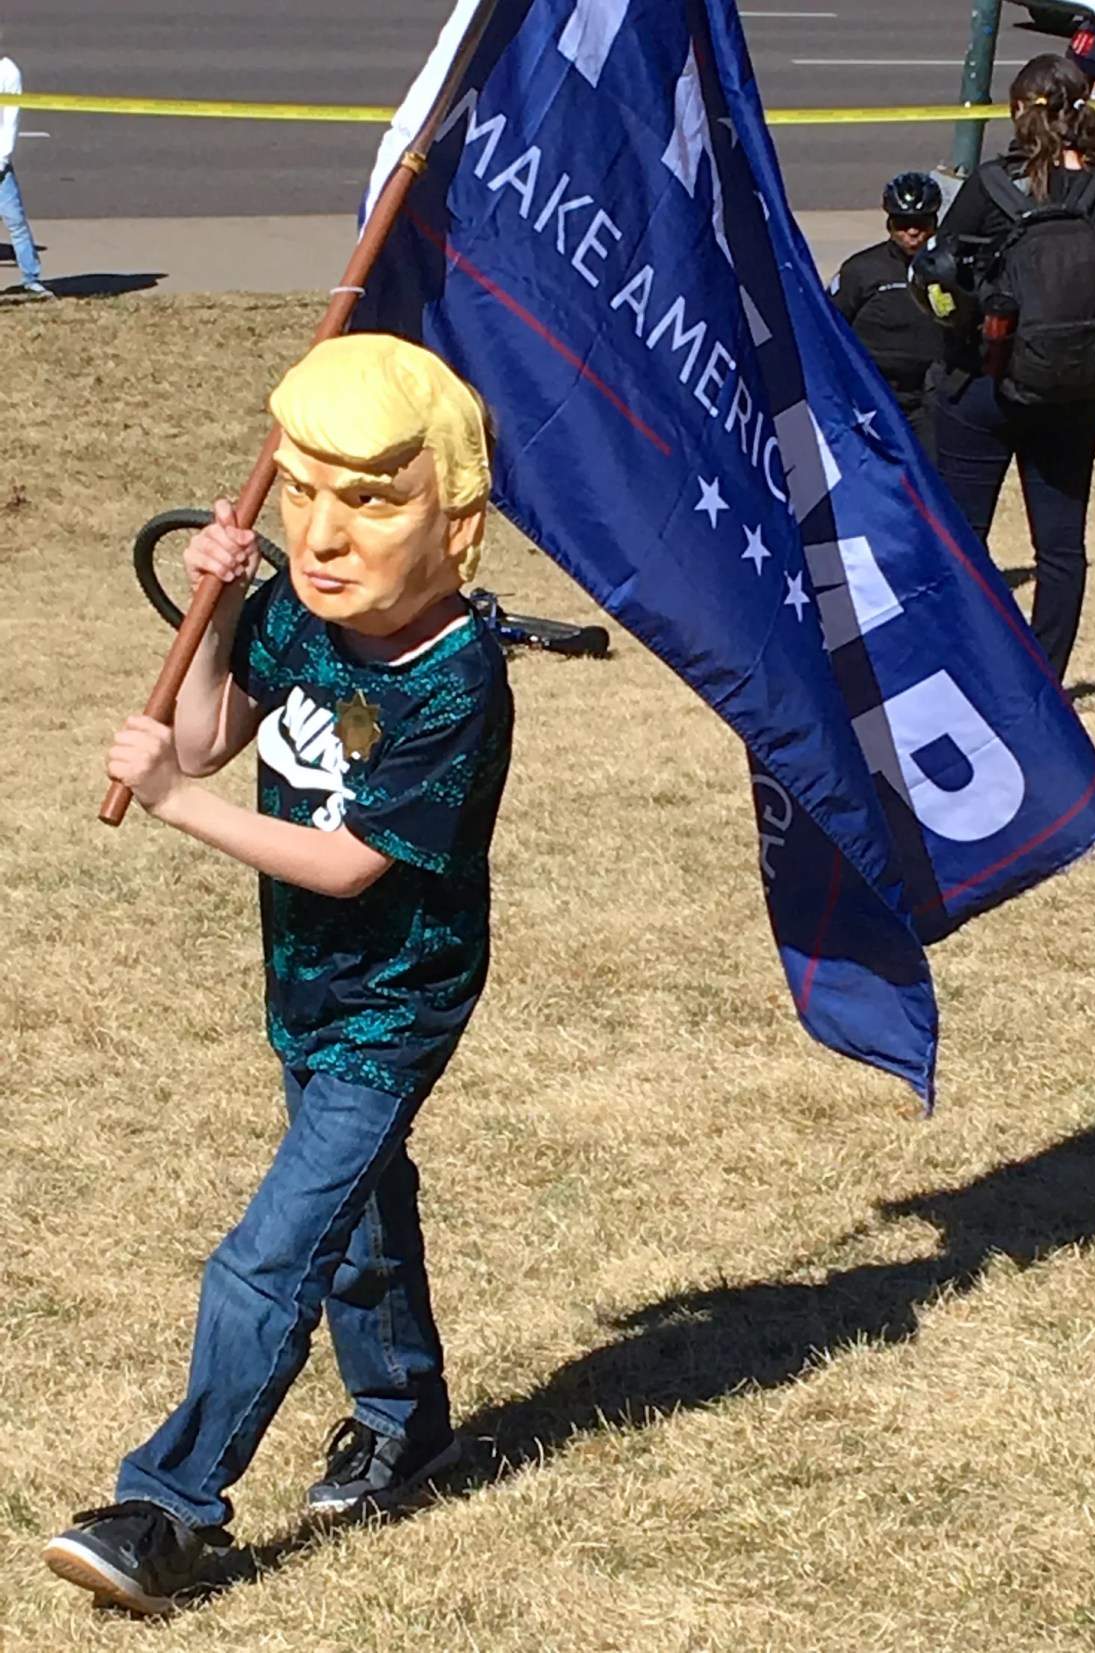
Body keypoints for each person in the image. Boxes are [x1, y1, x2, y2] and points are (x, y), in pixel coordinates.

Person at [42, 333, 514, 1615]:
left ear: (456, 526)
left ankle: (168, 1506)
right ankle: (407, 1422)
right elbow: (207, 731)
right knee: (355, 1219)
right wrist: (212, 616)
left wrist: (176, 804)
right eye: (301, 491)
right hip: (304, 983)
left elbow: (349, 864)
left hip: (393, 1000)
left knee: (272, 1252)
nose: (323, 534)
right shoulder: (300, 613)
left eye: (368, 501)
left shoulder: (455, 682)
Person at [930, 54, 1095, 682]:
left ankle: (968, 667)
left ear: (1021, 111)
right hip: (1072, 389)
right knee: (1061, 548)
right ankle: (1044, 681)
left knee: (962, 537)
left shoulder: (991, 185)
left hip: (984, 381)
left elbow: (940, 273)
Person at [829, 171, 945, 459]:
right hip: (874, 396)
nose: (912, 232)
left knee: (934, 475)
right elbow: (827, 327)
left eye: (922, 223)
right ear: (889, 223)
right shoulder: (861, 270)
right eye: (902, 224)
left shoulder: (951, 267)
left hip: (931, 396)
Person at [0, 20, 51, 298]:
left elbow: (11, 121)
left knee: (15, 221)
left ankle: (31, 279)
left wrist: (2, 160)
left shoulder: (8, 72)